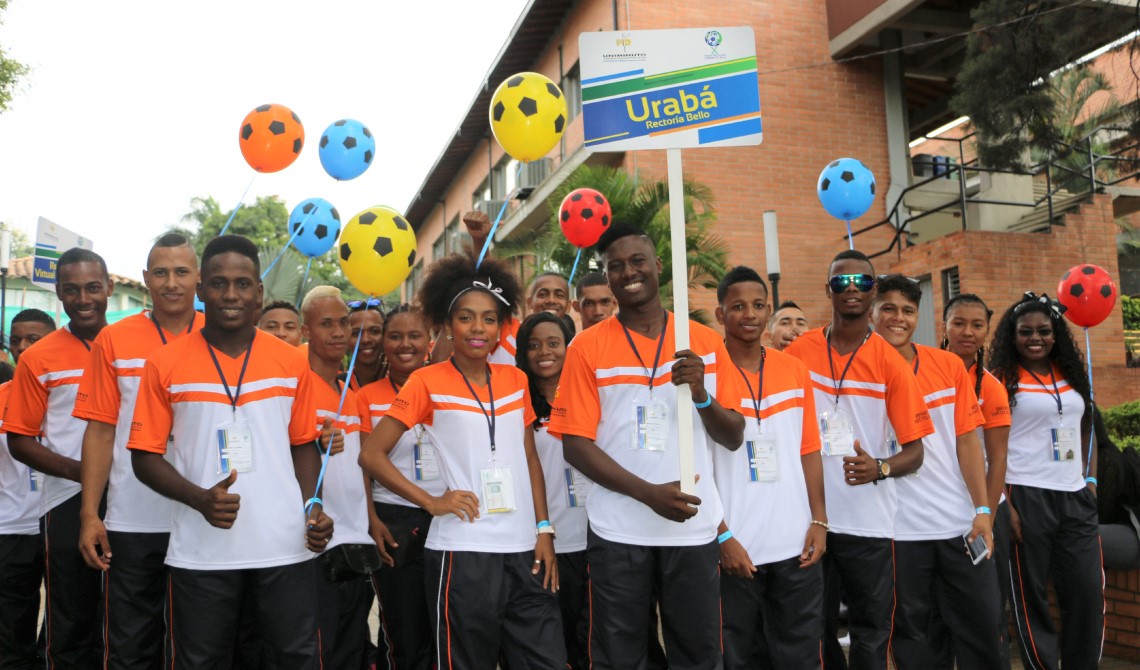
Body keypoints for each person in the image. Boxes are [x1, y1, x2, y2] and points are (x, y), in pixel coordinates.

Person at [127, 235, 334, 669]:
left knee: (296, 657)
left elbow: (302, 445)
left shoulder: (292, 361)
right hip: (202, 550)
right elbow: (143, 457)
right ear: (201, 289)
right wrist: (200, 499)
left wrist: (313, 505)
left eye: (243, 284)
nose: (231, 295)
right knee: (200, 661)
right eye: (219, 283)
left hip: (284, 546)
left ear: (259, 292)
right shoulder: (165, 363)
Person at [548, 222, 745, 670]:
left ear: (658, 265)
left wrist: (701, 394)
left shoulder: (704, 342)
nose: (627, 272)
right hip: (618, 531)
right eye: (615, 266)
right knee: (619, 657)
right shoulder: (586, 347)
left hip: (692, 527)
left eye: (637, 261)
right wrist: (648, 494)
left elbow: (732, 435)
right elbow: (575, 445)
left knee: (698, 654)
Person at [359, 252, 564, 670]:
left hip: (526, 549)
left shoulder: (516, 380)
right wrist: (431, 502)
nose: (478, 328)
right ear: (448, 326)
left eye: (489, 319)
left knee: (544, 659)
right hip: (461, 552)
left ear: (501, 326)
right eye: (466, 318)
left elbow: (529, 458)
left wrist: (544, 528)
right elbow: (371, 454)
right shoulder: (425, 382)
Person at [783, 250, 933, 670]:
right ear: (827, 289)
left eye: (863, 283)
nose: (852, 290)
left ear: (874, 291)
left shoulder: (891, 362)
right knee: (814, 627)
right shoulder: (797, 352)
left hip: (869, 522)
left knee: (871, 632)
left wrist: (880, 468)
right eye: (842, 282)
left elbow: (916, 453)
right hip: (809, 519)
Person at [71, 233, 203, 669]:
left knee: (199, 644)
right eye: (161, 273)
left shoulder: (222, 335)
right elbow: (100, 431)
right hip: (132, 519)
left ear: (198, 278)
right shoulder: (115, 339)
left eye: (181, 271)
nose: (171, 283)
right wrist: (91, 513)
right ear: (146, 279)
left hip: (204, 517)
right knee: (130, 645)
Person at [870, 275, 1002, 669]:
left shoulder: (947, 366)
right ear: (872, 312)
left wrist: (982, 511)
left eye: (908, 310)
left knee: (984, 628)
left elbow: (967, 443)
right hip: (898, 532)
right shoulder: (858, 374)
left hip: (959, 526)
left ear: (919, 316)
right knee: (915, 641)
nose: (898, 318)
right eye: (888, 308)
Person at [712, 267, 827, 670]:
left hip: (795, 544)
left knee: (800, 653)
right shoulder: (705, 377)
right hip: (735, 548)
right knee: (739, 656)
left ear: (769, 310)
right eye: (738, 306)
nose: (750, 315)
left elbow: (809, 449)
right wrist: (721, 535)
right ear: (719, 314)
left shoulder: (793, 370)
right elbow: (696, 470)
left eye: (759, 305)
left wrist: (819, 521)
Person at [6, 247, 115, 668]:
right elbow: (20, 441)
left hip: (137, 496)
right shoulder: (39, 357)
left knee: (130, 615)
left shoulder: (132, 348)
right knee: (71, 621)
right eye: (72, 290)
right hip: (68, 501)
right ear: (59, 294)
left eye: (92, 287)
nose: (84, 299)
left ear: (107, 287)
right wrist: (88, 473)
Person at [988, 291, 1103, 670]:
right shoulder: (1000, 379)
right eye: (1025, 332)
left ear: (1056, 334)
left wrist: (1090, 481)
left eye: (1044, 331)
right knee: (1030, 597)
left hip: (1074, 497)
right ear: (1012, 334)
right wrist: (1006, 504)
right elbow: (989, 446)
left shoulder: (1070, 374)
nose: (1035, 338)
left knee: (1086, 593)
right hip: (1025, 495)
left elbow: (1087, 428)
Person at [300, 285, 383, 669]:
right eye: (326, 324)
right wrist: (313, 444)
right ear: (305, 331)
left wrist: (372, 520)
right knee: (320, 647)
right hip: (314, 541)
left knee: (352, 644)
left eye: (344, 324)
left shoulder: (350, 391)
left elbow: (360, 465)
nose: (338, 332)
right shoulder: (294, 388)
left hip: (354, 538)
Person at [358, 303, 441, 669]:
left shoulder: (448, 387)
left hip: (447, 517)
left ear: (429, 341)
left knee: (443, 625)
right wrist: (370, 518)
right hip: (392, 522)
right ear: (383, 343)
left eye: (414, 335)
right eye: (395, 336)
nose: (405, 344)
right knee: (402, 631)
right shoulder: (366, 396)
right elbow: (361, 465)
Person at [939, 292, 1014, 669]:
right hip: (932, 514)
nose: (967, 332)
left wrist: (984, 510)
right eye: (959, 323)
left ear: (987, 330)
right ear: (944, 326)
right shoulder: (922, 373)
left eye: (977, 325)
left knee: (984, 617)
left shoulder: (991, 386)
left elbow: (998, 457)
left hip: (978, 516)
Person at [516, 311, 591, 670]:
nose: (544, 352)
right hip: (541, 544)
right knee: (547, 647)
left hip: (592, 541)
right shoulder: (517, 406)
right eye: (533, 345)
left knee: (590, 642)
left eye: (553, 343)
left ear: (569, 347)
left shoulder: (590, 398)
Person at [0, 358, 43, 669]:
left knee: (69, 619)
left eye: (34, 340)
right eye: (17, 341)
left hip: (65, 522)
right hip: (12, 527)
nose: (24, 349)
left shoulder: (72, 391)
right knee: (12, 627)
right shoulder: (3, 395)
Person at [348, 298, 386, 389]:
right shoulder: (337, 387)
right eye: (356, 333)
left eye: (374, 331)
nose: (365, 340)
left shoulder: (405, 386)